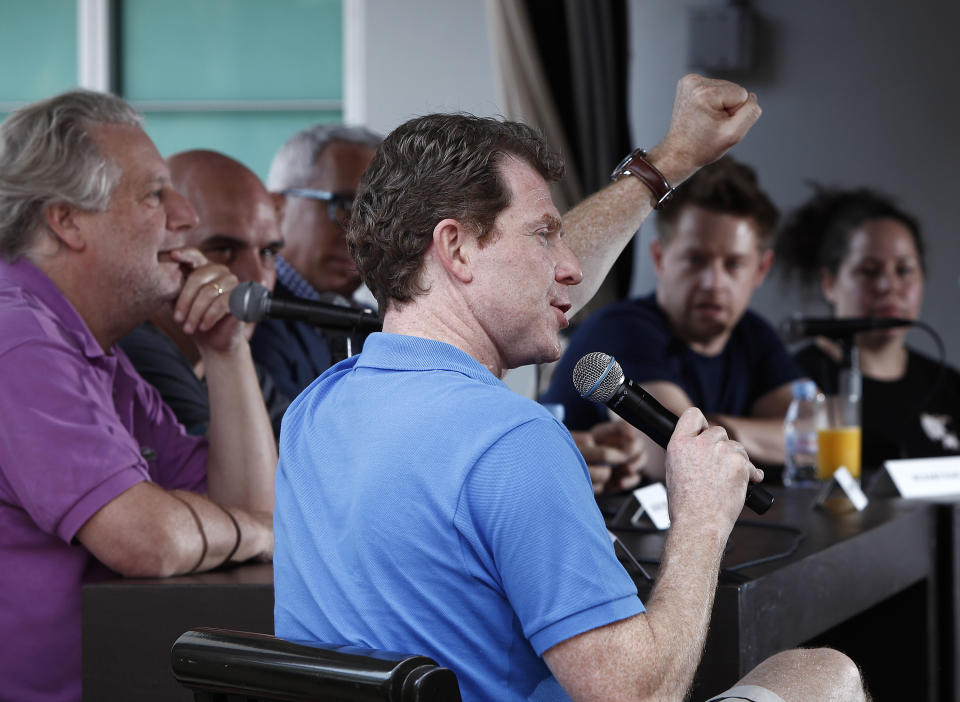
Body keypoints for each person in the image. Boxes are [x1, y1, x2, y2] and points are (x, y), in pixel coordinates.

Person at [274, 75, 867, 701]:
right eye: (542, 234)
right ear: (455, 247)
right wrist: (699, 520)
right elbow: (638, 697)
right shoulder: (514, 439)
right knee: (823, 673)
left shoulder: (313, 410)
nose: (571, 266)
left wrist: (669, 162)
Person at [0, 91, 276, 702]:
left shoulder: (93, 347)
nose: (185, 217)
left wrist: (226, 352)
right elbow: (149, 541)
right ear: (66, 220)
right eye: (155, 194)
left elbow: (252, 501)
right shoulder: (17, 338)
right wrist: (253, 532)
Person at [542, 156, 804, 478]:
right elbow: (672, 457)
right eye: (695, 260)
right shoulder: (622, 328)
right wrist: (774, 435)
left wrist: (725, 429)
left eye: (733, 264)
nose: (713, 283)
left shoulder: (753, 333)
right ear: (660, 257)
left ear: (760, 269)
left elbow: (823, 432)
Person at [776, 185, 960, 474]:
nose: (888, 287)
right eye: (868, 271)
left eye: (904, 270)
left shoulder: (949, 385)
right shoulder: (792, 382)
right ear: (829, 283)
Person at [119, 149, 291, 438]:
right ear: (166, 250)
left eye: (267, 252)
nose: (257, 279)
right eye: (225, 250)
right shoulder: (137, 351)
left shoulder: (236, 357)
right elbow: (231, 483)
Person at [249, 124, 382, 399]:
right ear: (277, 207)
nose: (361, 233)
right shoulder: (251, 320)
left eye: (377, 213)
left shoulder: (377, 326)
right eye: (345, 204)